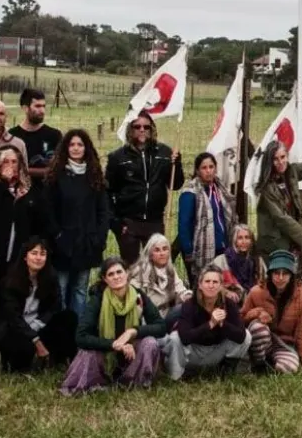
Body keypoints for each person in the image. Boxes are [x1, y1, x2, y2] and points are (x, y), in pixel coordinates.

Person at [60, 257, 167, 396]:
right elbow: (81, 336)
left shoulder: (138, 296)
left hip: (131, 353)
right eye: (111, 274)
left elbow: (161, 326)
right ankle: (98, 382)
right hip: (104, 354)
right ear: (105, 279)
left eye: (119, 272)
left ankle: (135, 381)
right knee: (88, 351)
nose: (116, 277)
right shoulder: (97, 300)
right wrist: (114, 344)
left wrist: (133, 332)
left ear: (127, 273)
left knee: (150, 343)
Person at [0, 146, 44, 349]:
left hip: (19, 251)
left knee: (12, 292)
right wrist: (5, 188)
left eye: (14, 162)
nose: (10, 166)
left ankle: (8, 334)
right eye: (6, 161)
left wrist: (22, 200)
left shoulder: (29, 187)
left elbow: (37, 216)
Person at [44, 129, 109, 318]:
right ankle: (61, 330)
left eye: (80, 144)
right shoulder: (56, 176)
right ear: (65, 148)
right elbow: (48, 211)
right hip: (62, 242)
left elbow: (103, 211)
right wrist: (57, 235)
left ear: (86, 148)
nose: (75, 148)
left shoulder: (95, 175)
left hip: (87, 242)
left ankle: (78, 332)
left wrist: (99, 237)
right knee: (61, 288)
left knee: (80, 289)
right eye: (71, 144)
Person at [106, 111, 184, 264]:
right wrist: (116, 223)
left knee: (156, 266)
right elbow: (107, 192)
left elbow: (175, 184)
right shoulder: (117, 157)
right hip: (129, 222)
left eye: (146, 127)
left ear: (152, 129)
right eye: (137, 126)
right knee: (131, 268)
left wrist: (177, 164)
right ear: (130, 129)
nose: (142, 130)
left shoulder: (165, 152)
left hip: (155, 220)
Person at [0, 237, 77, 372]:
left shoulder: (51, 277)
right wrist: (36, 340)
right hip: (16, 328)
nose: (38, 258)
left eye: (42, 254)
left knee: (69, 317)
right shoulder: (10, 281)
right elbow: (13, 317)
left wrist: (40, 323)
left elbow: (56, 306)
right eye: (34, 253)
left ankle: (63, 360)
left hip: (39, 324)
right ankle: (17, 361)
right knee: (21, 356)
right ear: (25, 257)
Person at [163, 265, 252, 380]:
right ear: (200, 285)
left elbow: (241, 336)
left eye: (215, 282)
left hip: (215, 351)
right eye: (207, 281)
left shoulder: (229, 304)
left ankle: (225, 369)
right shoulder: (189, 305)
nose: (211, 285)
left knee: (247, 335)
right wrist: (210, 324)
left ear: (221, 286)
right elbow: (185, 337)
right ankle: (176, 376)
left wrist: (222, 324)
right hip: (192, 352)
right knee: (175, 338)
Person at [242, 250, 302, 373]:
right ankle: (259, 364)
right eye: (276, 273)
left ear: (291, 276)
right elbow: (241, 319)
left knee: (289, 368)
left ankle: (272, 365)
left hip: (284, 344)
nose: (280, 278)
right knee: (258, 328)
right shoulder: (256, 292)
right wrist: (257, 313)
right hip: (262, 341)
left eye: (285, 274)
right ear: (270, 274)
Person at [178, 153, 237, 285]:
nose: (208, 171)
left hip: (222, 246)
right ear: (197, 171)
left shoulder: (219, 188)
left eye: (211, 167)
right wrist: (188, 250)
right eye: (204, 168)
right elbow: (184, 224)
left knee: (221, 283)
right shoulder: (190, 192)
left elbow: (225, 216)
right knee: (202, 284)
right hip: (200, 248)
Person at [129, 234, 192, 330]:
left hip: (167, 314)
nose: (162, 253)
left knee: (188, 306)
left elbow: (180, 290)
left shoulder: (170, 269)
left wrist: (188, 296)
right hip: (147, 319)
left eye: (165, 249)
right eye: (157, 250)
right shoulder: (140, 273)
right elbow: (136, 306)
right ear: (150, 254)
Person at [8, 88, 63, 189]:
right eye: (37, 106)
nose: (42, 111)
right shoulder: (12, 136)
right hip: (20, 195)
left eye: (43, 106)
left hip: (47, 197)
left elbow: (59, 170)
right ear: (25, 108)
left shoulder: (54, 135)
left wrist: (24, 170)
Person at [211, 224, 265, 304]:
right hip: (228, 303)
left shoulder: (257, 261)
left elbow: (265, 283)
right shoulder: (221, 261)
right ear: (234, 240)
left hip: (253, 302)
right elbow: (210, 284)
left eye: (247, 238)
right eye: (240, 238)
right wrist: (225, 292)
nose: (244, 242)